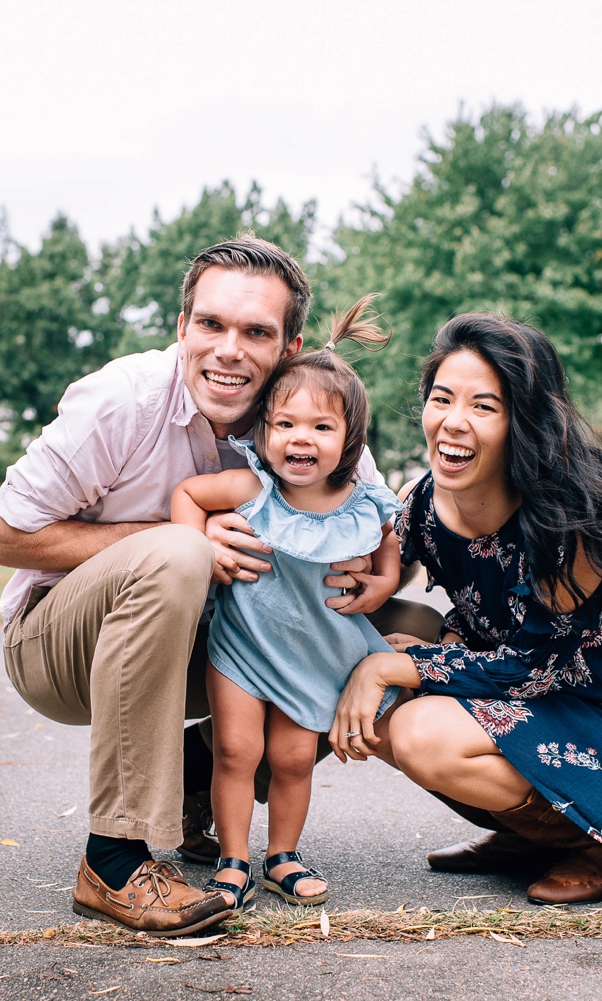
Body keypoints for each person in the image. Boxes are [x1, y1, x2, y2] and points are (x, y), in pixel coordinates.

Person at [0, 237, 435, 936]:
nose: (228, 350)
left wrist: (383, 578)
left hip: (213, 639)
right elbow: (6, 536)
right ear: (182, 327)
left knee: (413, 629)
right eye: (211, 324)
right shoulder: (120, 400)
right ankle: (114, 859)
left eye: (255, 332)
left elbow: (374, 524)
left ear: (290, 346)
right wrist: (183, 537)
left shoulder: (313, 413)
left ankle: (205, 787)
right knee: (176, 554)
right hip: (60, 644)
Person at [328, 313, 602, 907]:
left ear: (523, 420)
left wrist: (400, 666)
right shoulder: (423, 500)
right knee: (385, 701)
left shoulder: (570, 521)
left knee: (419, 729)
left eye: (483, 407)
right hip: (530, 705)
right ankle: (532, 835)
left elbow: (536, 668)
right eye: (441, 399)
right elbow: (381, 564)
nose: (453, 422)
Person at [171, 296, 400, 910]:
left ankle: (284, 858)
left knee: (295, 758)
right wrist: (195, 550)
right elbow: (188, 496)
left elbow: (387, 546)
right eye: (286, 425)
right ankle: (232, 860)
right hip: (242, 649)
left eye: (322, 428)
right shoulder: (251, 487)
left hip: (312, 652)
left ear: (349, 439)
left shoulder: (362, 500)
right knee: (237, 752)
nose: (302, 439)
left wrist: (381, 582)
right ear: (264, 432)